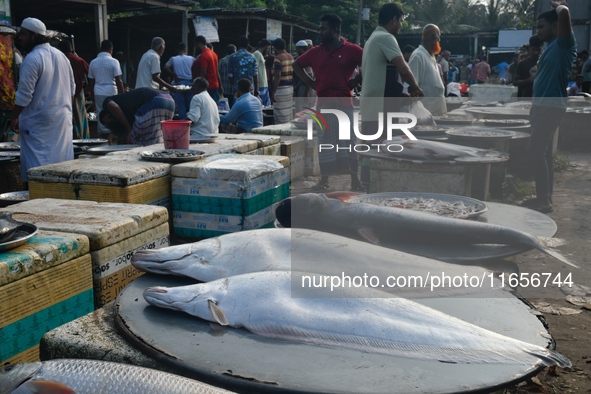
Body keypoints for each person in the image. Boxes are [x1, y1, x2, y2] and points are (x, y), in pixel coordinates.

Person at [293, 13, 363, 191]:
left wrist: (357, 80)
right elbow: (296, 65)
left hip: (344, 103)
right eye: (320, 28)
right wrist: (310, 82)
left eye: (323, 29)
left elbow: (369, 63)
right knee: (325, 141)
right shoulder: (316, 52)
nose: (320, 32)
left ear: (336, 30)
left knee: (349, 140)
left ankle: (355, 180)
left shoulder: (352, 50)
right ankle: (325, 180)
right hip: (323, 104)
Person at [360, 2, 424, 190]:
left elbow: (382, 75)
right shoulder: (386, 37)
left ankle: (368, 182)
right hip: (379, 105)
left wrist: (401, 93)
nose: (401, 26)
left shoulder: (372, 38)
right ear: (394, 19)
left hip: (373, 102)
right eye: (401, 21)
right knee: (380, 146)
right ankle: (375, 185)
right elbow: (403, 68)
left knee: (370, 144)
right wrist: (416, 88)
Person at [521, 0, 577, 213]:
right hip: (541, 105)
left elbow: (564, 16)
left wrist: (560, 7)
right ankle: (545, 197)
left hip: (550, 106)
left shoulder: (565, 43)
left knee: (535, 151)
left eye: (542, 26)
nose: (539, 31)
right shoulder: (550, 47)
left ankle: (544, 199)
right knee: (543, 153)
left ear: (555, 26)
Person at [10, 17, 75, 187]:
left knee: (37, 169)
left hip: (39, 123)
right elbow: (72, 90)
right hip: (61, 121)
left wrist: (15, 117)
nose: (21, 38)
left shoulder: (32, 59)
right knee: (61, 167)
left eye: (23, 34)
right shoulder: (61, 56)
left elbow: (24, 95)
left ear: (34, 36)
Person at [99, 87, 175, 146]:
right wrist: (115, 132)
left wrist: (128, 129)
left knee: (137, 141)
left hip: (155, 102)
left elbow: (114, 107)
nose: (111, 121)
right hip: (169, 100)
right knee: (158, 140)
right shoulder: (127, 111)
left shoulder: (107, 102)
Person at [88, 40, 124, 141]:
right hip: (111, 91)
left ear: (100, 49)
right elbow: (119, 81)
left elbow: (91, 82)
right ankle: (113, 134)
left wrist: (92, 99)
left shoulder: (93, 62)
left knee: (101, 113)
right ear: (111, 50)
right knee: (113, 113)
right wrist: (122, 96)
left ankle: (103, 137)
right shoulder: (114, 62)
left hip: (98, 91)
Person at [408, 24, 446, 116]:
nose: (439, 40)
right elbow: (412, 89)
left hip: (437, 113)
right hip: (425, 115)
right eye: (439, 37)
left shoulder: (431, 56)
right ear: (433, 37)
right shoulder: (418, 56)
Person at [57, 40, 90, 140]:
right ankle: (82, 138)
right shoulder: (79, 60)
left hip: (61, 93)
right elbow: (90, 73)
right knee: (80, 117)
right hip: (78, 92)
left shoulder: (58, 61)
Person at [163, 42, 195, 119]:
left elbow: (165, 67)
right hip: (189, 83)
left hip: (178, 83)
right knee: (190, 105)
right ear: (185, 49)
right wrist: (193, 77)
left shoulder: (173, 59)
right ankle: (190, 122)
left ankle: (183, 123)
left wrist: (174, 75)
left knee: (181, 106)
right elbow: (198, 67)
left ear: (177, 50)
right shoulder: (192, 59)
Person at [270, 38, 294, 124]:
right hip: (290, 87)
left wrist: (273, 92)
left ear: (276, 48)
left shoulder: (278, 58)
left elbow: (278, 75)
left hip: (281, 89)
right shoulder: (291, 57)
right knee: (288, 112)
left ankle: (281, 132)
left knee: (280, 113)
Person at [228, 36, 258, 100]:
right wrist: (256, 89)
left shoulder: (232, 57)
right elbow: (255, 74)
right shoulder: (252, 57)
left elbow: (230, 76)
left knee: (238, 106)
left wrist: (235, 84)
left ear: (238, 44)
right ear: (247, 45)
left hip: (238, 88)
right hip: (250, 88)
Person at [512, 35, 542, 99]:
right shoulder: (522, 63)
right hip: (526, 98)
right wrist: (528, 81)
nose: (536, 52)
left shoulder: (544, 62)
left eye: (538, 50)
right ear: (529, 49)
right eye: (533, 49)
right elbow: (515, 82)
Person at [194, 36, 222, 103]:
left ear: (199, 43)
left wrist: (199, 87)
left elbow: (204, 73)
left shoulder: (204, 55)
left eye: (196, 44)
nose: (196, 47)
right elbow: (216, 71)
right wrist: (220, 85)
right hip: (215, 84)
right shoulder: (213, 54)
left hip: (208, 86)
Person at [254, 39, 271, 106]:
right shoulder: (257, 54)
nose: (268, 50)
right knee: (261, 104)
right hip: (261, 83)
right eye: (268, 48)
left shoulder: (259, 54)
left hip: (264, 83)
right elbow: (255, 69)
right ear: (265, 46)